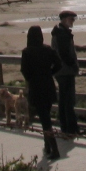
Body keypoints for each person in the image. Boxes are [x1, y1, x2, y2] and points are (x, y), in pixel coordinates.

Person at [20, 25, 63, 161]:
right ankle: (48, 146)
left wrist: (31, 78)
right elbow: (59, 64)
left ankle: (54, 149)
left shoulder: (27, 52)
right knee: (46, 116)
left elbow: (24, 70)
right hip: (48, 86)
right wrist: (50, 72)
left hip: (36, 88)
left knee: (45, 119)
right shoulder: (48, 49)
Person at [51, 10, 80, 136]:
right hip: (65, 71)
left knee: (63, 101)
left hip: (60, 70)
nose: (73, 21)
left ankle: (65, 127)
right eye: (71, 19)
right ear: (64, 19)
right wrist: (73, 66)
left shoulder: (58, 32)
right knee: (69, 101)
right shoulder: (62, 33)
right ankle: (71, 129)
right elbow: (64, 53)